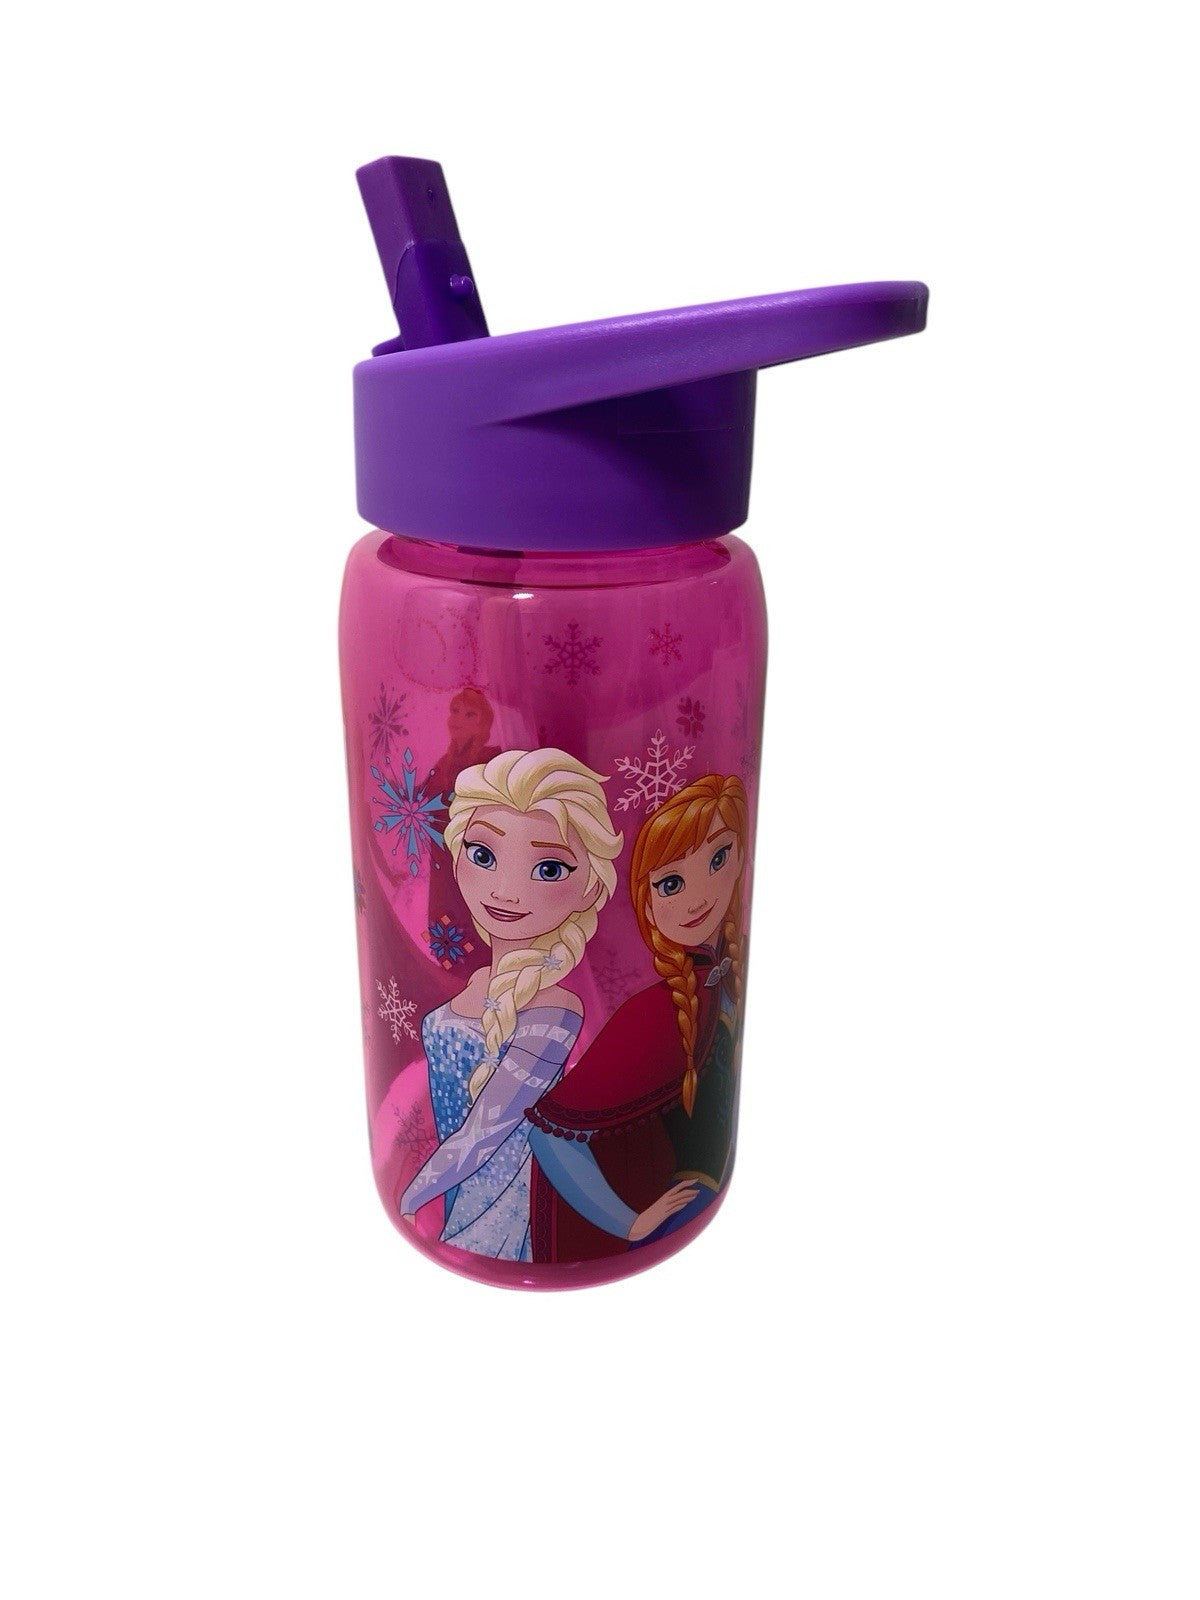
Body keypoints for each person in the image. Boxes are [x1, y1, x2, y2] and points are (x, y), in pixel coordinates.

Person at [399, 748, 674, 1262]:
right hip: (451, 1184)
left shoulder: (555, 1014)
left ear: (590, 887)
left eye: (549, 869)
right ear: (456, 856)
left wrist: (411, 1196)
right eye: (483, 855)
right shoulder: (477, 981)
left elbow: (485, 1133)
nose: (506, 892)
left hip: (506, 1209)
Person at [526, 774, 749, 1262]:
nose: (698, 897)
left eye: (718, 858)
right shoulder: (653, 1012)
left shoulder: (719, 975)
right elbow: (548, 1132)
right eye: (671, 884)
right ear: (646, 902)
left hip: (700, 1202)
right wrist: (628, 1221)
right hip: (668, 1215)